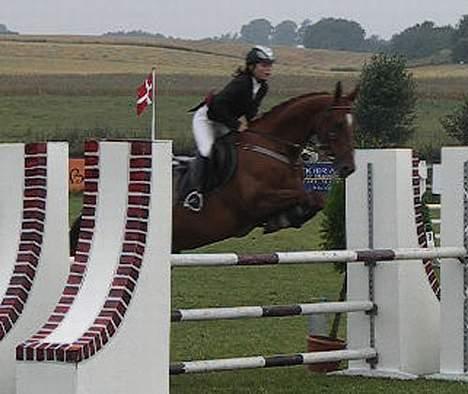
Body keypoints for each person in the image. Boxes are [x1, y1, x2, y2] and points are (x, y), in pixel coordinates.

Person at [184, 45, 275, 212]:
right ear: (251, 66)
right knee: (207, 150)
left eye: (270, 65)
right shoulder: (241, 83)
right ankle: (195, 193)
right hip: (207, 119)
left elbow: (250, 112)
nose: (268, 69)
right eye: (264, 65)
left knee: (236, 150)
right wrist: (236, 125)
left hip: (225, 122)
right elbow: (217, 108)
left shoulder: (263, 87)